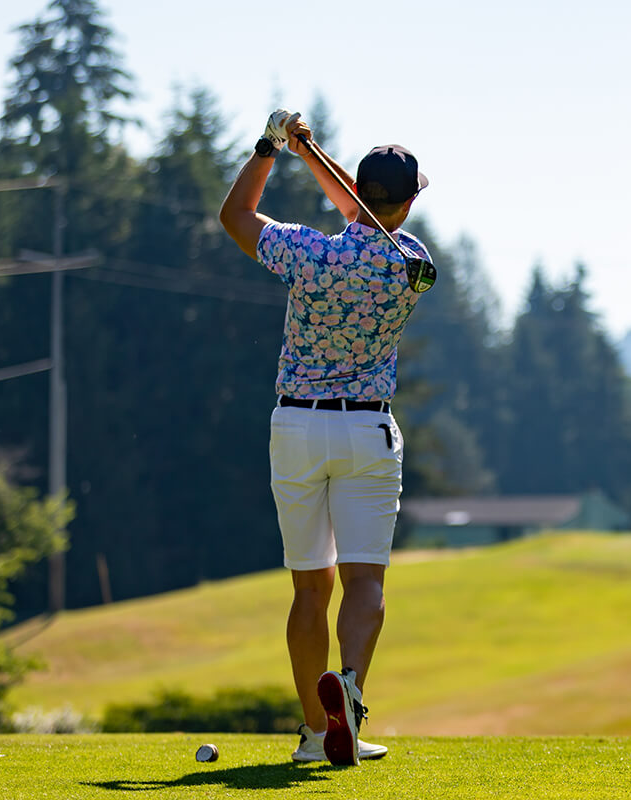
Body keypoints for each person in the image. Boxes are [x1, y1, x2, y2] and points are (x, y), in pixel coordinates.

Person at [218, 110, 433, 767]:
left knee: (310, 589)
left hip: (299, 424)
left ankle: (316, 731)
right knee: (366, 580)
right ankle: (353, 689)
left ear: (360, 197)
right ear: (411, 201)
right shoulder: (415, 266)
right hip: (368, 429)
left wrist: (271, 148)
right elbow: (367, 215)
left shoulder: (309, 252)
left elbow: (235, 216)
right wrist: (311, 152)